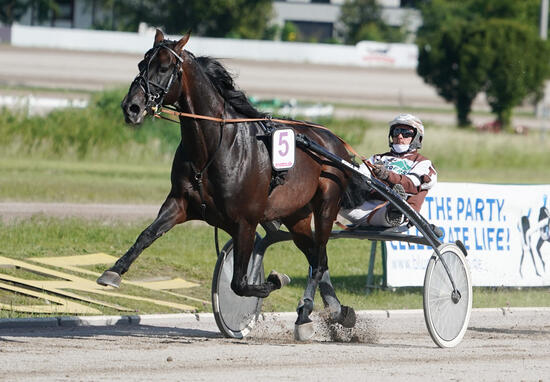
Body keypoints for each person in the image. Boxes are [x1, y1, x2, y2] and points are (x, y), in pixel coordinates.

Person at [339, 113, 437, 227]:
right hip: (365, 207)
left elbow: (411, 185)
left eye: (406, 133)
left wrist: (387, 176)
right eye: (396, 132)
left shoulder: (422, 162)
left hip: (399, 211)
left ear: (417, 138)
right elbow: (359, 178)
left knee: (395, 204)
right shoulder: (378, 158)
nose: (400, 136)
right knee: (341, 192)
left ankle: (395, 209)